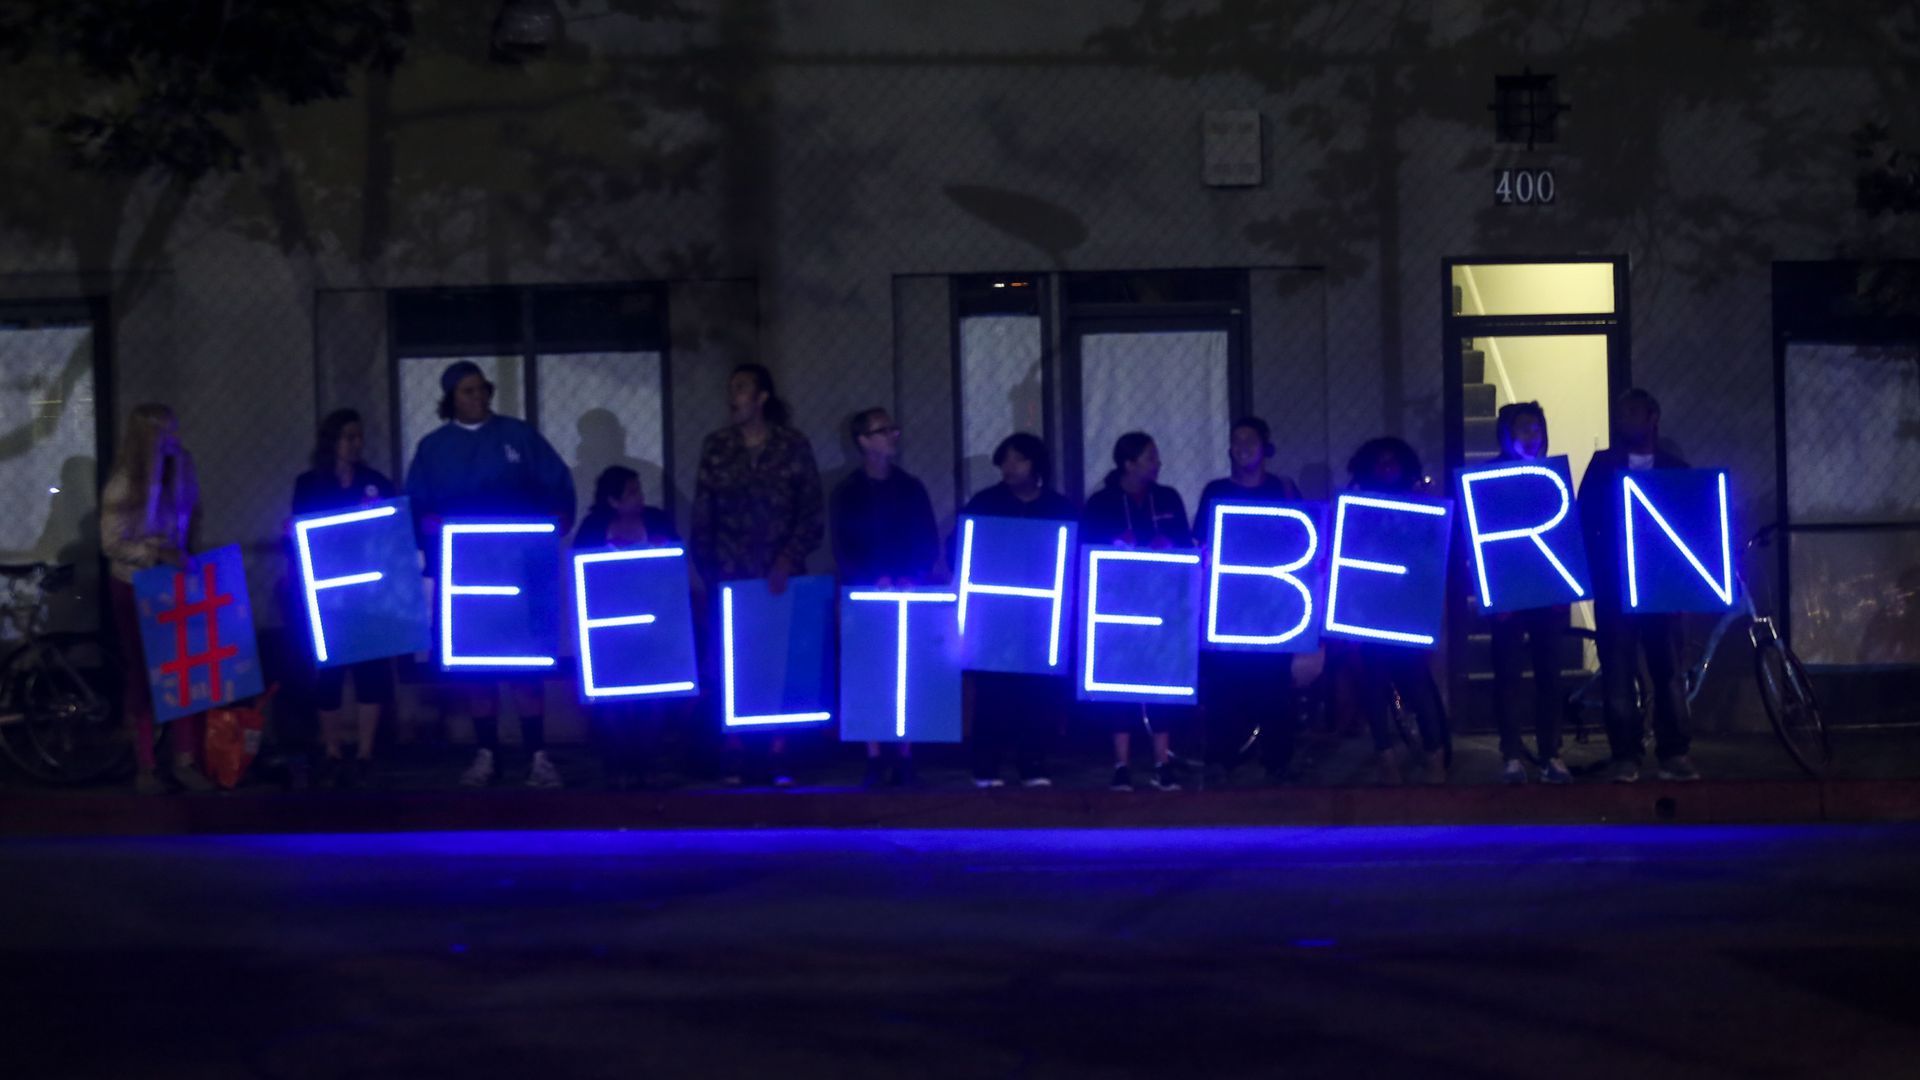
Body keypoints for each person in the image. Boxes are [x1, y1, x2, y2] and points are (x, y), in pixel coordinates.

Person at [405, 360, 576, 789]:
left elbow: (557, 485)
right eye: (468, 391)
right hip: (466, 578)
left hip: (518, 571)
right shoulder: (433, 448)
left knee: (525, 666)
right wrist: (427, 526)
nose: (478, 396)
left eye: (483, 388)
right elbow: (417, 506)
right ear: (451, 399)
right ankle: (488, 755)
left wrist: (556, 519)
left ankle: (537, 756)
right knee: (475, 667)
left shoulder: (517, 436)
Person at [691, 363, 825, 786]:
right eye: (731, 388)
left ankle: (779, 755)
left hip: (779, 578)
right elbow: (703, 514)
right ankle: (737, 755)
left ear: (762, 397)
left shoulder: (792, 446)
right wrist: (710, 572)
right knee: (734, 667)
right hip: (731, 577)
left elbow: (811, 511)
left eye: (742, 388)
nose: (733, 396)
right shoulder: (717, 447)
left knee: (778, 666)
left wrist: (787, 558)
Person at [1577, 388, 1699, 783]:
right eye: (1621, 413)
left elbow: (1692, 525)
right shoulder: (1603, 466)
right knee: (1618, 672)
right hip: (1615, 586)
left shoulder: (1675, 470)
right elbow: (1584, 519)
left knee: (1668, 672)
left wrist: (1686, 586)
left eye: (1633, 412)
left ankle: (1674, 753)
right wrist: (1594, 573)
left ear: (1653, 417)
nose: (1625, 419)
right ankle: (1625, 755)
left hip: (1661, 588)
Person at [957, 433, 1077, 789]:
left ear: (1035, 464)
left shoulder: (1058, 508)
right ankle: (986, 765)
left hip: (1041, 616)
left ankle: (1032, 762)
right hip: (995, 612)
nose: (1010, 467)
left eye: (1018, 459)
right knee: (993, 689)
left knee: (1037, 690)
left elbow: (1072, 557)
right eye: (1005, 460)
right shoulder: (985, 503)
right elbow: (961, 547)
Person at [100, 403, 209, 795]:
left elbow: (188, 518)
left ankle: (184, 761)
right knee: (144, 673)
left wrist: (183, 553)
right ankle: (145, 765)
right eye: (166, 433)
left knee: (182, 670)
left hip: (170, 582)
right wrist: (154, 552)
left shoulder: (178, 470)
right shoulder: (124, 484)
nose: (175, 439)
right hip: (134, 583)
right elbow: (111, 543)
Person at [830, 407, 940, 787]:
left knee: (908, 670)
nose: (893, 435)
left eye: (893, 428)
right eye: (883, 430)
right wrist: (869, 579)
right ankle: (874, 755)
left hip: (907, 592)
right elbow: (844, 545)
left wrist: (914, 576)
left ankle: (905, 753)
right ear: (863, 441)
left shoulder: (910, 488)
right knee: (868, 671)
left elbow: (926, 539)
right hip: (866, 594)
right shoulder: (848, 492)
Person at [1193, 417, 1305, 786]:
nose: (1242, 446)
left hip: (1273, 603)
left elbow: (1301, 536)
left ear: (1265, 447)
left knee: (1275, 684)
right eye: (1236, 440)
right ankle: (1220, 759)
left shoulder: (1282, 489)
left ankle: (1277, 761)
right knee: (1224, 683)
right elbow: (1201, 541)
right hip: (1229, 604)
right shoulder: (1215, 491)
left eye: (1250, 440)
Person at [1080, 432, 1194, 792]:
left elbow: (1185, 543)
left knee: (1164, 682)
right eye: (1150, 457)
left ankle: (1162, 762)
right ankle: (1121, 765)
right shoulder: (1102, 503)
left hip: (1162, 602)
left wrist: (1169, 545)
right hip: (1119, 606)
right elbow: (1087, 550)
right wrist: (1116, 547)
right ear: (1128, 464)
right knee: (1119, 682)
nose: (1157, 464)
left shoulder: (1168, 498)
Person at [289, 408, 397, 788]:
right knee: (329, 672)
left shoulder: (375, 483)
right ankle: (332, 750)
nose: (355, 444)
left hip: (367, 592)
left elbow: (391, 530)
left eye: (359, 436)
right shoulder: (310, 485)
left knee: (371, 670)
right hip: (328, 592)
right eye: (348, 436)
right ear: (332, 441)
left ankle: (365, 752)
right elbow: (303, 532)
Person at [1346, 436, 1451, 785]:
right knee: (1374, 682)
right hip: (1372, 607)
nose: (1387, 467)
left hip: (1406, 609)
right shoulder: (1360, 508)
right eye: (1380, 462)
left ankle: (1435, 757)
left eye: (1393, 461)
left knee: (1416, 680)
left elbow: (1432, 555)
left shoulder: (1418, 505)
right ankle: (1387, 758)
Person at [574, 465, 681, 790]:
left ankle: (648, 763)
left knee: (651, 698)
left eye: (639, 489)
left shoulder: (657, 520)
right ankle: (617, 765)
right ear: (613, 500)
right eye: (632, 492)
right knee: (614, 703)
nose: (640, 496)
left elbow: (674, 562)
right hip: (611, 626)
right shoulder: (593, 528)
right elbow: (581, 572)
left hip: (652, 622)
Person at [1484, 403, 1574, 786]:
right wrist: (1496, 592)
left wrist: (1563, 587)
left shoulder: (1552, 478)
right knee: (1508, 675)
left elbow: (1565, 534)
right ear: (1506, 433)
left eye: (1536, 428)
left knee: (1549, 675)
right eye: (1522, 428)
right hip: (1508, 591)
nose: (1531, 436)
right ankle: (1511, 754)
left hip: (1547, 589)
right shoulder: (1488, 477)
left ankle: (1551, 753)